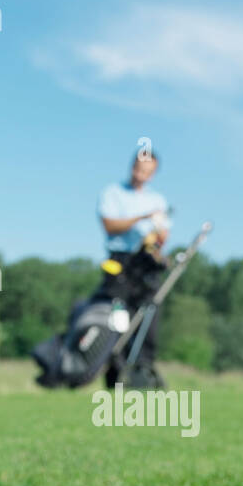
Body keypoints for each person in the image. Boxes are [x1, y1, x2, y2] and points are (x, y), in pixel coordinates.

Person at [96, 149, 170, 388]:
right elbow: (110, 225)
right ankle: (115, 373)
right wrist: (141, 217)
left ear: (154, 173)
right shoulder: (113, 193)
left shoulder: (158, 201)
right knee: (119, 318)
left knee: (148, 315)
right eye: (139, 169)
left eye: (147, 172)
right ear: (131, 167)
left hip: (145, 262)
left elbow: (163, 237)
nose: (141, 175)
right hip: (120, 263)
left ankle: (142, 373)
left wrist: (158, 237)